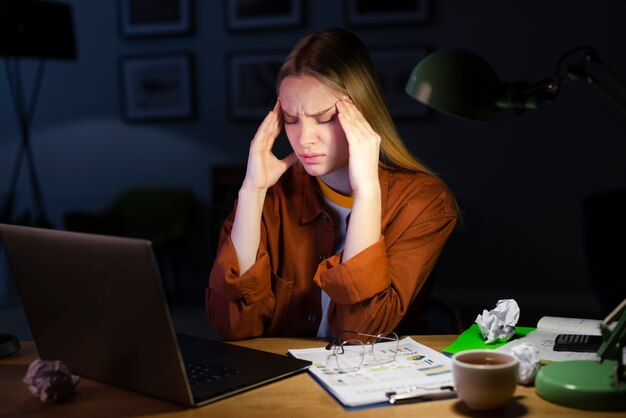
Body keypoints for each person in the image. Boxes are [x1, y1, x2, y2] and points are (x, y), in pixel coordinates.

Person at [206, 28, 458, 341]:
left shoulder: (425, 202)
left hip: (377, 380)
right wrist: (252, 192)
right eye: (291, 119)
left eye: (324, 118)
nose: (304, 139)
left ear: (362, 114)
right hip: (283, 380)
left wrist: (366, 192)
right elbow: (231, 326)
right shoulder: (271, 194)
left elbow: (361, 332)